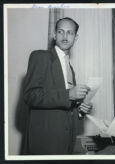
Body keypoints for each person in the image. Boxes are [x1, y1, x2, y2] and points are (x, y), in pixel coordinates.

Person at [23, 17, 92, 155]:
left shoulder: (70, 68)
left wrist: (79, 109)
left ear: (76, 37)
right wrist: (69, 95)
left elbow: (65, 104)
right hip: (45, 142)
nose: (65, 36)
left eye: (70, 33)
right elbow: (30, 96)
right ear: (54, 35)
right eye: (61, 32)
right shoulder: (40, 56)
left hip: (66, 142)